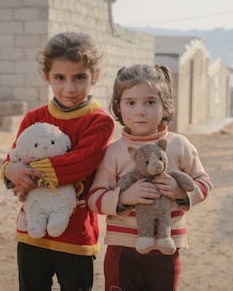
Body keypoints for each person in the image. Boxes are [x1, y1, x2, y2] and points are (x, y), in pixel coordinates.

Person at [1, 32, 114, 291]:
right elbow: (14, 157)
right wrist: (10, 169)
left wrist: (24, 171)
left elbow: (80, 163)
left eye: (80, 78)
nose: (69, 88)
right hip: (31, 230)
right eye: (60, 78)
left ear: (94, 76)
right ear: (46, 76)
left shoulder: (99, 122)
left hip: (76, 233)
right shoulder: (33, 117)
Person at [87, 64, 213, 291]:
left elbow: (204, 183)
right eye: (131, 103)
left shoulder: (178, 145)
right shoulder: (114, 151)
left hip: (167, 249)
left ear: (165, 106)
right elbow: (94, 197)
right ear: (118, 106)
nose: (140, 111)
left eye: (150, 102)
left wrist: (181, 192)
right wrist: (123, 197)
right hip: (122, 250)